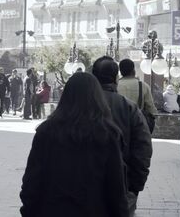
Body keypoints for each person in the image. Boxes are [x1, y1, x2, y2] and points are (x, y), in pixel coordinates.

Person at [20, 72, 128, 216]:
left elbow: (32, 181)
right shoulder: (108, 135)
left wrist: (29, 211)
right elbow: (116, 188)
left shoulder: (46, 132)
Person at [92, 56, 152, 216]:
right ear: (115, 78)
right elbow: (143, 148)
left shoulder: (81, 107)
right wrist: (135, 186)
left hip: (86, 188)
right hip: (122, 185)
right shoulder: (130, 108)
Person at [118, 58, 157, 133]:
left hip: (119, 125)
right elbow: (151, 108)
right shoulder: (143, 86)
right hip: (137, 125)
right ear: (133, 70)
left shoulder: (116, 85)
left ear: (121, 71)